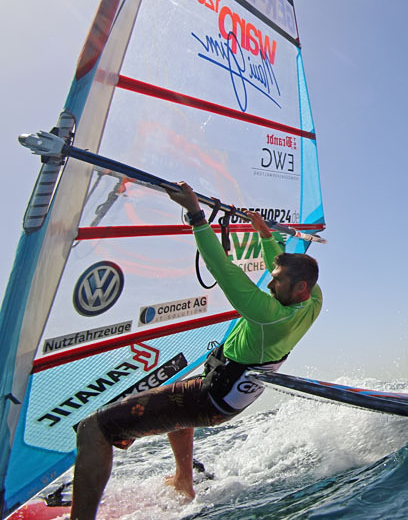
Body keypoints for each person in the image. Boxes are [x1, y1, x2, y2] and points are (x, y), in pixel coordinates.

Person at [70, 182, 321, 520]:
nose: (270, 282)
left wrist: (196, 214)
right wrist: (264, 235)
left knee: (93, 428)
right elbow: (279, 265)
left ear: (300, 287)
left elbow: (222, 268)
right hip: (226, 398)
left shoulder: (268, 314)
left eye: (277, 280)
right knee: (177, 395)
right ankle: (183, 481)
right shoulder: (313, 301)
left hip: (211, 399)